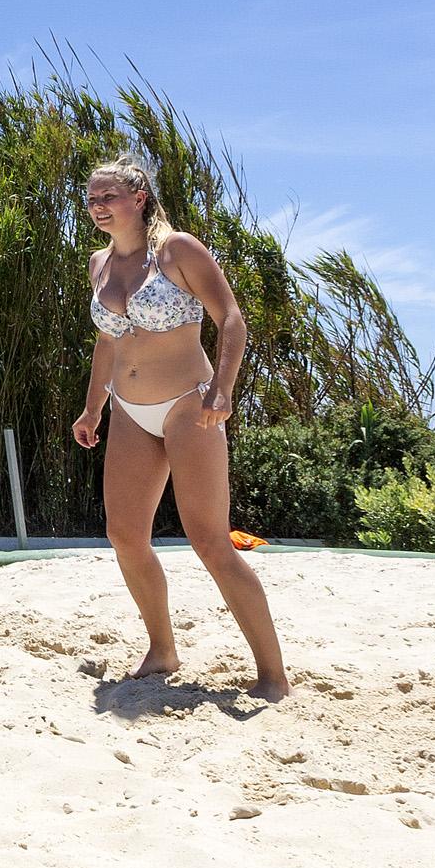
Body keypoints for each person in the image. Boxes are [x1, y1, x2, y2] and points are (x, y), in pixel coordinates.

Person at [68, 156, 289, 700]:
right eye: (92, 199)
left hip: (190, 405)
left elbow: (231, 319)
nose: (98, 207)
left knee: (210, 541)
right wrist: (92, 407)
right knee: (124, 536)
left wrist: (224, 390)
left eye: (109, 197)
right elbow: (107, 340)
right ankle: (162, 648)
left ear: (138, 198)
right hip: (128, 412)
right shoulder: (99, 263)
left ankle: (272, 675)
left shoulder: (177, 250)